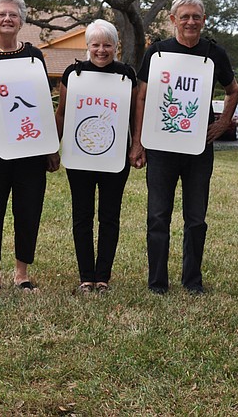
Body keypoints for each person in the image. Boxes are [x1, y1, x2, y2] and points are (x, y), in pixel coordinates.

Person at [129, 0, 238, 295]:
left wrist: (222, 122)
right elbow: (141, 96)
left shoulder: (213, 53)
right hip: (161, 148)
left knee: (196, 219)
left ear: (204, 20)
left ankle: (192, 281)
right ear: (173, 19)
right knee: (157, 216)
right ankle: (157, 283)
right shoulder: (158, 52)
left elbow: (233, 90)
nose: (190, 21)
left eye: (196, 17)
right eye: (185, 16)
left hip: (198, 150)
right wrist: (137, 142)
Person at [0, 0, 60, 297]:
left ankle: (22, 273)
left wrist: (50, 147)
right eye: (2, 14)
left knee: (28, 210)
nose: (7, 19)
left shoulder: (33, 56)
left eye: (13, 15)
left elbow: (42, 105)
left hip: (30, 149)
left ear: (21, 21)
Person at [55, 20, 137, 293]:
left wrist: (137, 144)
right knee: (82, 216)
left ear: (116, 46)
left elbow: (136, 115)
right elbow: (63, 113)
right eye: (96, 44)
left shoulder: (127, 75)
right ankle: (85, 276)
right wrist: (52, 148)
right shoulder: (73, 74)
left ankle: (103, 276)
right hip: (80, 157)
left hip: (115, 157)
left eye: (107, 45)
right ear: (87, 46)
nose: (101, 50)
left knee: (110, 216)